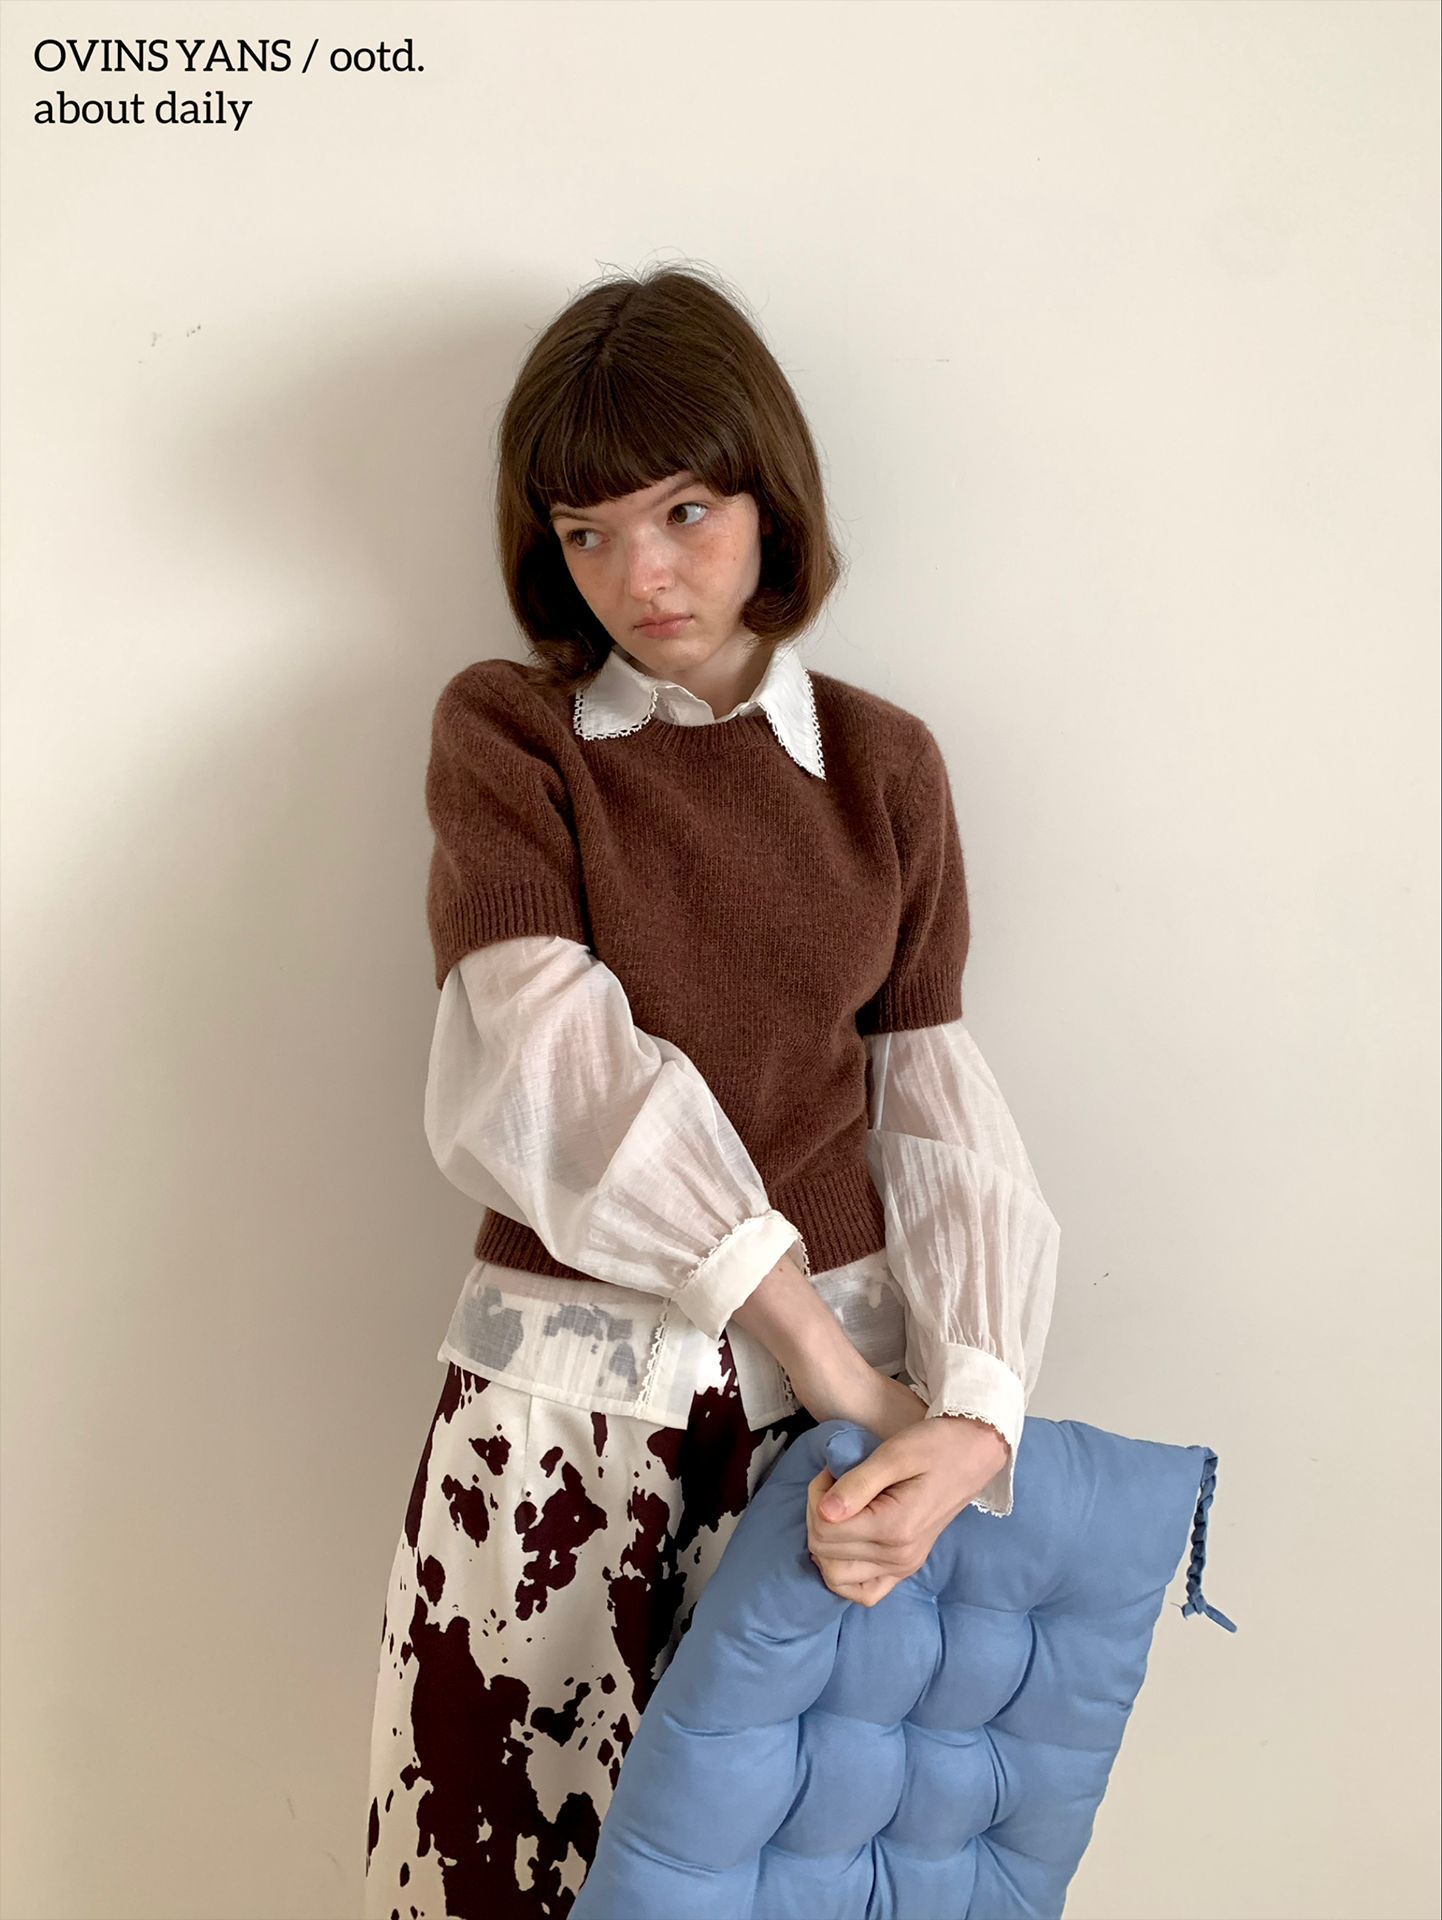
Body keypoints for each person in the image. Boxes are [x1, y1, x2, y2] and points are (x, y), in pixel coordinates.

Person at [363, 263, 1061, 1919]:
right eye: (587, 530)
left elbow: (929, 1101)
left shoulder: (884, 766)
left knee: (800, 1876)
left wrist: (971, 1413)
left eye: (683, 510)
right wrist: (830, 1359)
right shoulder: (512, 735)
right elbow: (546, 1072)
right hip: (567, 1429)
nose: (641, 575)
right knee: (510, 1866)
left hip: (829, 1447)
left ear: (769, 501)